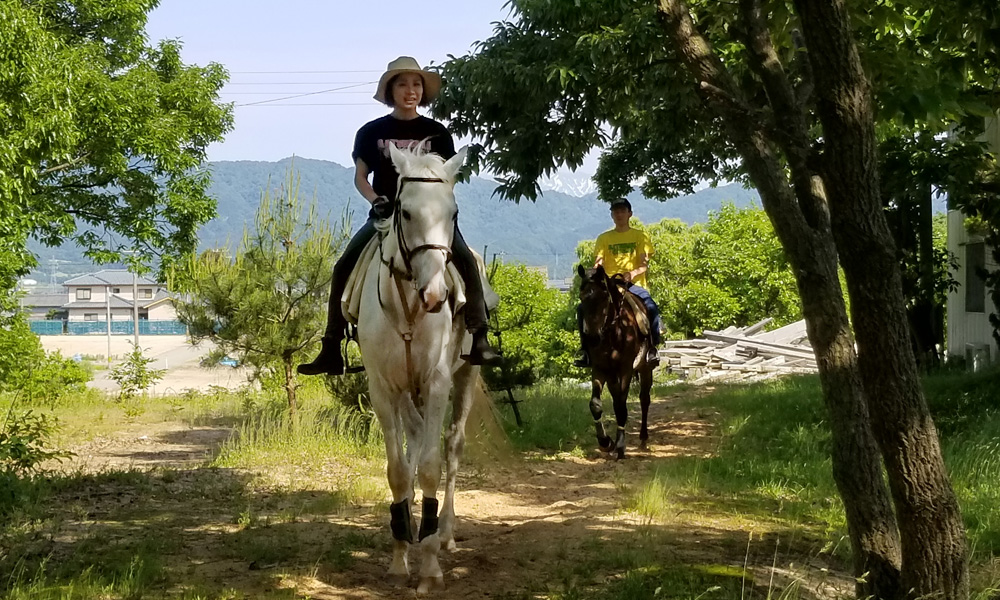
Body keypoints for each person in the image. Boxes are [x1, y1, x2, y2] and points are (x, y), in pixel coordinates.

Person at [298, 56, 500, 376]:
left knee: (465, 259)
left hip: (431, 217)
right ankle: (331, 345)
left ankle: (480, 335)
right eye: (403, 84)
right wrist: (376, 199)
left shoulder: (437, 133)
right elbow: (361, 176)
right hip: (387, 215)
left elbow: (447, 177)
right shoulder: (371, 131)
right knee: (343, 265)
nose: (411, 90)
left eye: (417, 84)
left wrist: (440, 210)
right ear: (391, 90)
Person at [575, 198, 662, 367]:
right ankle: (585, 350)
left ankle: (652, 347)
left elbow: (644, 265)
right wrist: (593, 275)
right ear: (612, 215)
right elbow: (598, 263)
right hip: (609, 285)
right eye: (616, 211)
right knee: (582, 309)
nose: (619, 214)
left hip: (634, 285)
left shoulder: (640, 236)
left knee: (651, 307)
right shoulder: (604, 238)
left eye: (622, 211)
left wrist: (631, 274)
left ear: (630, 214)